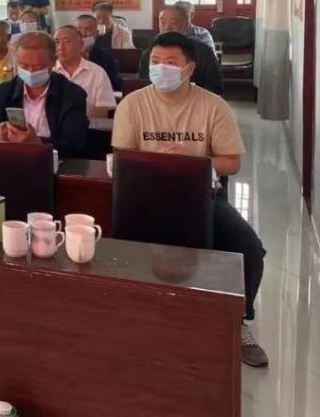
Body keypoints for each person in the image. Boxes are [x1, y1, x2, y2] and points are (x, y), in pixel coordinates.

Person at [111, 32, 267, 368]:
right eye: (156, 62)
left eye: (170, 63)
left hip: (201, 195)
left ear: (190, 68)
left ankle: (238, 321)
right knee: (120, 248)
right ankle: (134, 316)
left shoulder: (212, 105)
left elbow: (232, 162)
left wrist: (193, 162)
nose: (161, 68)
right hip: (147, 194)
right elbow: (123, 158)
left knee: (248, 247)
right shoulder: (132, 105)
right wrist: (159, 162)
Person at [0, 32, 89, 156]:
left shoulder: (72, 95)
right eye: (24, 66)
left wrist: (38, 144)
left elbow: (76, 143)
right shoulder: (3, 92)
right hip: (8, 157)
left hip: (54, 162)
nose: (30, 72)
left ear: (53, 61)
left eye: (38, 67)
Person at [139, 6, 223, 95]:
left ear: (186, 23)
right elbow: (143, 82)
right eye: (162, 22)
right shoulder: (150, 51)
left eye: (173, 23)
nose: (167, 27)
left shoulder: (202, 51)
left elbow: (214, 85)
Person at [52, 26, 116, 118]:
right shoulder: (48, 71)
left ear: (81, 45)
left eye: (67, 41)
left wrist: (81, 124)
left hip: (88, 125)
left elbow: (102, 109)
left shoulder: (97, 72)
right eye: (57, 42)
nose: (60, 47)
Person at [75, 14, 123, 91]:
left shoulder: (106, 58)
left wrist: (87, 62)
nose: (83, 33)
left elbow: (112, 86)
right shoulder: (63, 55)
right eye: (78, 30)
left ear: (96, 33)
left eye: (88, 29)